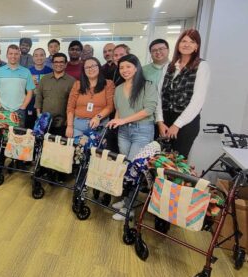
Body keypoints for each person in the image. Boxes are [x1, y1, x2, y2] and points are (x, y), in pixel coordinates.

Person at [107, 54, 157, 220]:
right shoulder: (119, 88)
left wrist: (123, 120)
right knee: (126, 166)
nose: (124, 70)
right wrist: (116, 121)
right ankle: (126, 200)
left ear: (136, 67)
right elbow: (119, 109)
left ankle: (129, 209)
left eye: (128, 66)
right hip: (123, 132)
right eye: (121, 67)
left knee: (133, 170)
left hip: (142, 131)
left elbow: (148, 110)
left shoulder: (147, 85)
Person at [156, 29, 210, 158]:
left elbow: (197, 101)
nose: (187, 44)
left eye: (192, 42)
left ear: (197, 46)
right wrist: (159, 121)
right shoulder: (169, 66)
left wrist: (177, 125)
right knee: (158, 161)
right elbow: (158, 95)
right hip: (165, 120)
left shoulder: (202, 66)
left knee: (176, 163)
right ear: (178, 44)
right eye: (184, 41)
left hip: (186, 123)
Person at [66, 57, 115, 138]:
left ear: (99, 67)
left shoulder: (108, 84)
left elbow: (110, 106)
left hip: (98, 125)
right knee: (77, 150)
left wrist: (98, 117)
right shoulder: (78, 84)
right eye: (87, 67)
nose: (91, 69)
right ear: (84, 71)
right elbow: (70, 107)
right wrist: (69, 126)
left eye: (94, 66)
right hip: (78, 126)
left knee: (94, 150)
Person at [0, 44, 36, 128]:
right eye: (11, 53)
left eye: (16, 54)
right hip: (2, 110)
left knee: (18, 137)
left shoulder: (26, 72)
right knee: (0, 136)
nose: (13, 56)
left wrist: (23, 107)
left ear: (19, 55)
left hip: (19, 111)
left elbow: (30, 92)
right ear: (7, 55)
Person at [35, 52, 75, 136]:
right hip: (44, 122)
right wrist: (39, 115)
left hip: (62, 123)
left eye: (61, 62)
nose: (58, 64)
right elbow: (39, 97)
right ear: (52, 64)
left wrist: (69, 122)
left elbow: (73, 103)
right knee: (42, 146)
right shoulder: (44, 79)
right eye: (56, 62)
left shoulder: (72, 81)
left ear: (65, 64)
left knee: (58, 147)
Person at [27, 48, 52, 128]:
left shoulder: (51, 71)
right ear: (33, 58)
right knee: (29, 128)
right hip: (30, 104)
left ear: (45, 57)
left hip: (45, 105)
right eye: (36, 55)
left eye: (41, 55)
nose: (39, 58)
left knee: (43, 129)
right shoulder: (27, 71)